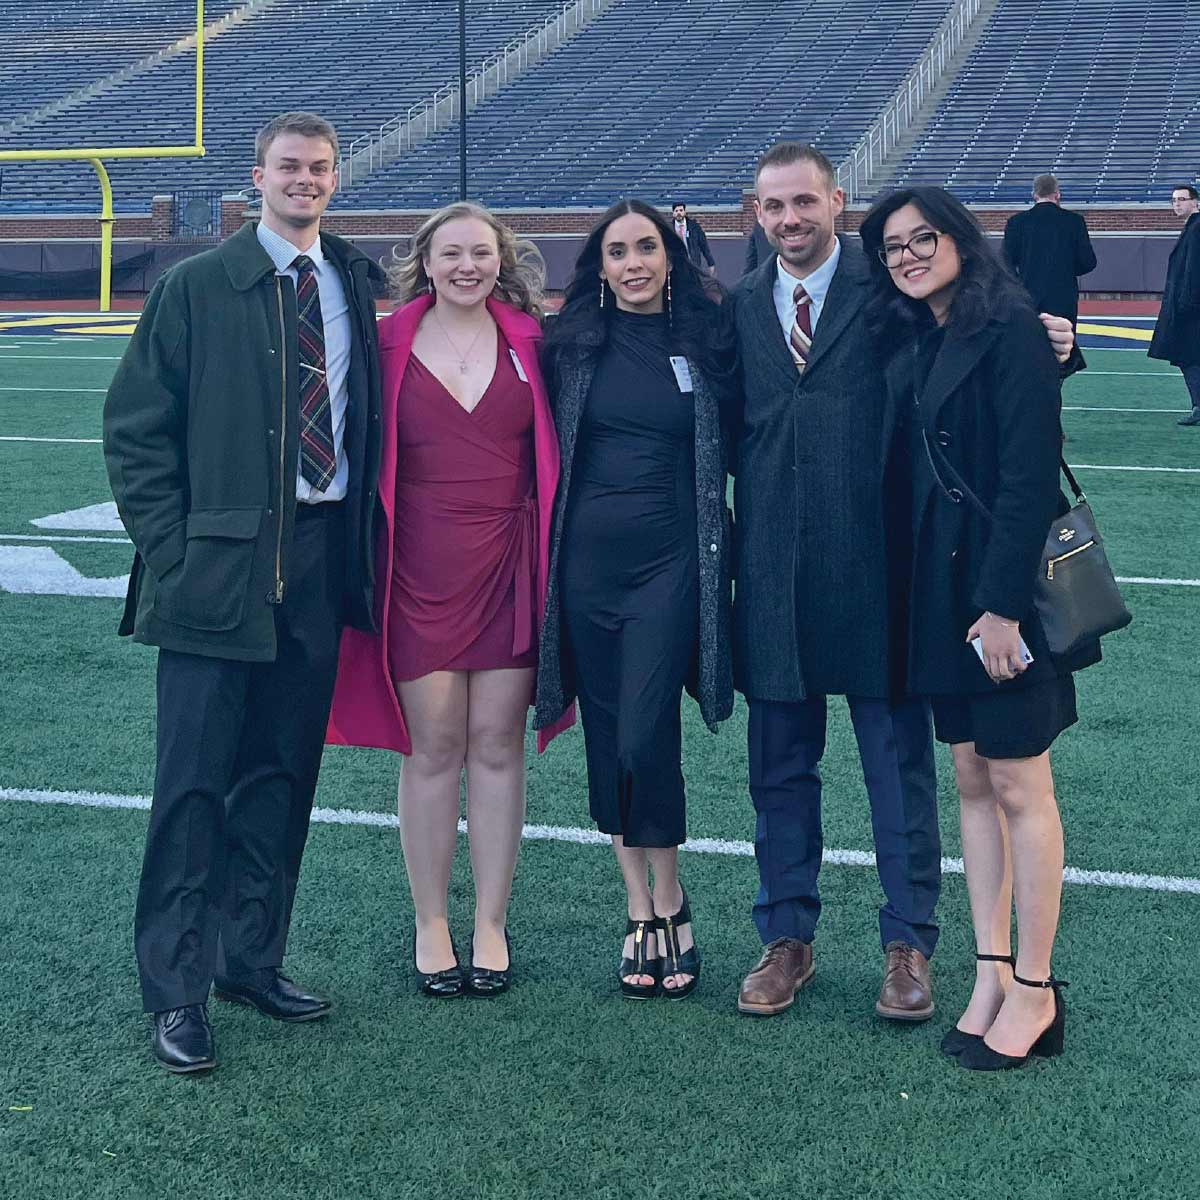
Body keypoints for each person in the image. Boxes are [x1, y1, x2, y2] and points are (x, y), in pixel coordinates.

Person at [728, 142, 1077, 1024]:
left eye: (804, 201)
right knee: (778, 771)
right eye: (773, 207)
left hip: (888, 568)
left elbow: (980, 352)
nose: (790, 220)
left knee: (899, 769)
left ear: (835, 201)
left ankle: (908, 945)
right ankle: (788, 937)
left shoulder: (893, 295)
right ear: (754, 214)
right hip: (773, 571)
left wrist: (1052, 342)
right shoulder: (731, 308)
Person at [103, 111, 385, 1073]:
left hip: (315, 558)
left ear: (337, 180)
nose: (304, 180)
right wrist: (174, 554)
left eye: (319, 168)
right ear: (256, 176)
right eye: (288, 167)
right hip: (215, 569)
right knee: (192, 787)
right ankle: (176, 990)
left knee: (280, 775)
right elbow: (137, 429)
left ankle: (250, 959)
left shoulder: (350, 279)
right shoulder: (197, 286)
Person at [860, 185, 1101, 1070]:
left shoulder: (1012, 328)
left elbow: (1029, 478)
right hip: (935, 590)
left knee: (1019, 784)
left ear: (960, 238)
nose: (911, 255)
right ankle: (991, 972)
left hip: (1000, 594)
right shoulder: (912, 332)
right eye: (893, 247)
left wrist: (1001, 608)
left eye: (925, 238)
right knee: (968, 777)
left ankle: (1037, 988)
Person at [326, 202, 570, 999]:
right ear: (423, 262)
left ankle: (491, 922)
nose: (467, 266)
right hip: (416, 565)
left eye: (482, 253)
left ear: (503, 261)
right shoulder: (385, 340)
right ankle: (431, 920)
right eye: (451, 253)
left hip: (511, 563)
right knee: (432, 746)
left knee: (497, 744)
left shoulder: (537, 341)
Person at [535, 199, 737, 999]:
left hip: (672, 564)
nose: (633, 263)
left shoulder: (709, 340)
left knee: (648, 732)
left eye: (646, 247)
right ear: (600, 265)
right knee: (609, 734)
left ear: (670, 255)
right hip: (586, 568)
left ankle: (674, 893)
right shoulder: (569, 346)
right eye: (617, 251)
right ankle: (640, 906)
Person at [1003, 174, 1097, 376]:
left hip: (1027, 297)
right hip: (1063, 297)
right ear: (1058, 194)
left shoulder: (1016, 222)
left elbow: (1005, 263)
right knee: (1061, 354)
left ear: (1034, 194)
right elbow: (1088, 262)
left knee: (1028, 351)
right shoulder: (1074, 222)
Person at [1148, 184, 1200, 426]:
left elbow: (1193, 271)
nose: (1176, 204)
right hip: (1189, 305)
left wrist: (1186, 304)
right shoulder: (1193, 227)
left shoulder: (1197, 228)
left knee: (1189, 358)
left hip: (1190, 308)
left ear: (1195, 202)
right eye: (1173, 200)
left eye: (1181, 199)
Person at [671, 202, 718, 275]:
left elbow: (704, 246)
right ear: (673, 213)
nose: (679, 213)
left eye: (681, 210)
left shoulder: (694, 227)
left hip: (693, 263)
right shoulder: (669, 228)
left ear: (685, 212)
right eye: (676, 211)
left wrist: (710, 263)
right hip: (676, 264)